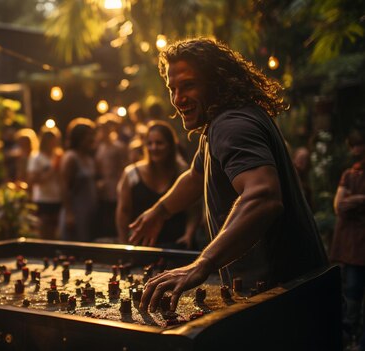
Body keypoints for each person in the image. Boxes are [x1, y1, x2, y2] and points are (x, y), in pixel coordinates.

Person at [129, 38, 328, 313]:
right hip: (286, 289)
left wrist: (203, 263)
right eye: (172, 88)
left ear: (216, 81)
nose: (177, 99)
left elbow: (263, 197)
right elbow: (195, 177)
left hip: (283, 294)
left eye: (188, 85)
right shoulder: (219, 123)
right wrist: (159, 212)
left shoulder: (230, 125)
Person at [117, 120, 199, 249]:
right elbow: (123, 212)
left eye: (159, 143)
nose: (154, 148)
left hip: (176, 246)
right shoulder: (132, 173)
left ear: (171, 145)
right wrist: (124, 244)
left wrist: (189, 235)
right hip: (141, 246)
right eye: (150, 143)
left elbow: (193, 210)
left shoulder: (183, 172)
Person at [329, 128, 365, 350]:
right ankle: (348, 336)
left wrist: (356, 198)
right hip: (353, 245)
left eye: (358, 145)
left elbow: (345, 203)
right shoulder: (349, 175)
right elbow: (339, 205)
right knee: (352, 291)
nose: (356, 150)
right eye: (353, 145)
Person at [59, 117, 97, 242]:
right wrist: (69, 213)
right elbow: (63, 185)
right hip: (76, 212)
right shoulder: (71, 157)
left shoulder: (88, 157)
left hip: (89, 212)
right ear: (79, 137)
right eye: (89, 135)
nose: (92, 138)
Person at [95, 113, 128, 239]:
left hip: (116, 185)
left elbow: (124, 166)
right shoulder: (100, 148)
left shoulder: (118, 147)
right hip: (104, 188)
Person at [28, 126, 63, 240]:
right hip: (43, 198)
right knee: (44, 229)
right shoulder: (36, 157)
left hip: (57, 197)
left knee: (55, 231)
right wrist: (50, 171)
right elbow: (33, 179)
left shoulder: (58, 155)